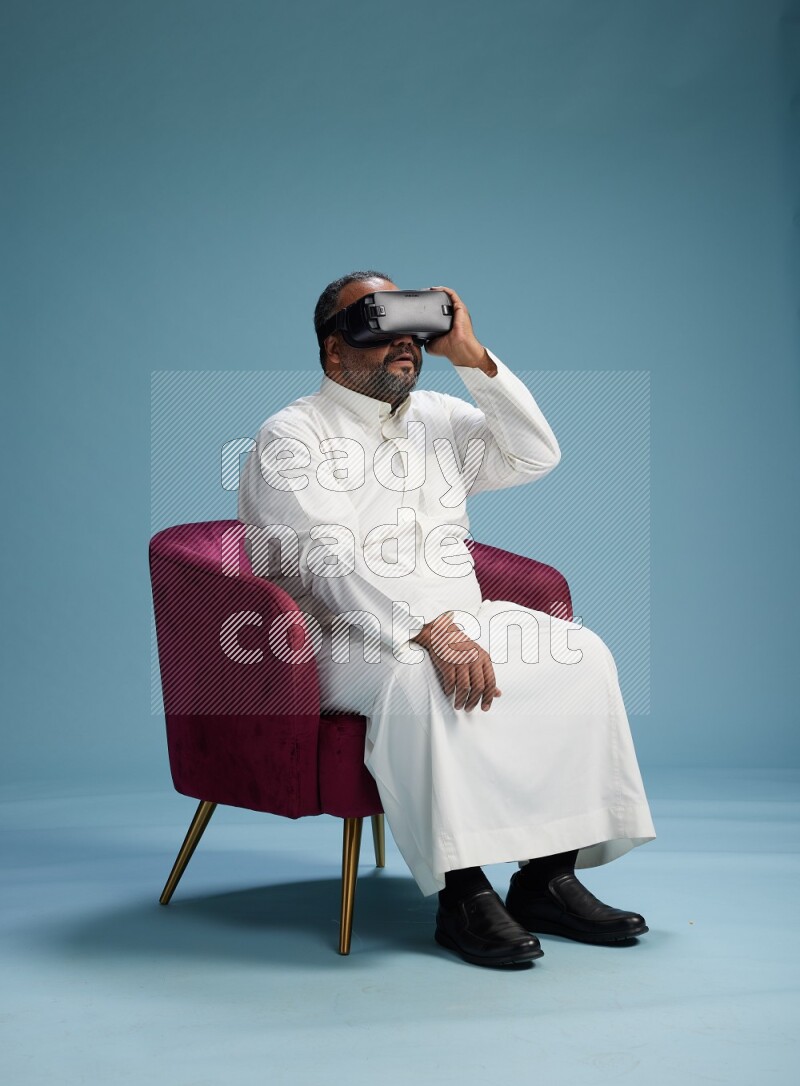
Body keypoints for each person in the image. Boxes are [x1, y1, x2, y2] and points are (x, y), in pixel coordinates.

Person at [237, 270, 656, 967]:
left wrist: (472, 358)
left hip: (461, 612)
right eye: (378, 324)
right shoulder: (292, 434)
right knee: (424, 682)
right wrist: (427, 628)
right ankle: (462, 894)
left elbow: (534, 454)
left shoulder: (439, 414)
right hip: (341, 635)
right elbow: (323, 559)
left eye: (413, 326)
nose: (404, 341)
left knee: (581, 657)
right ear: (334, 351)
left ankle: (547, 877)